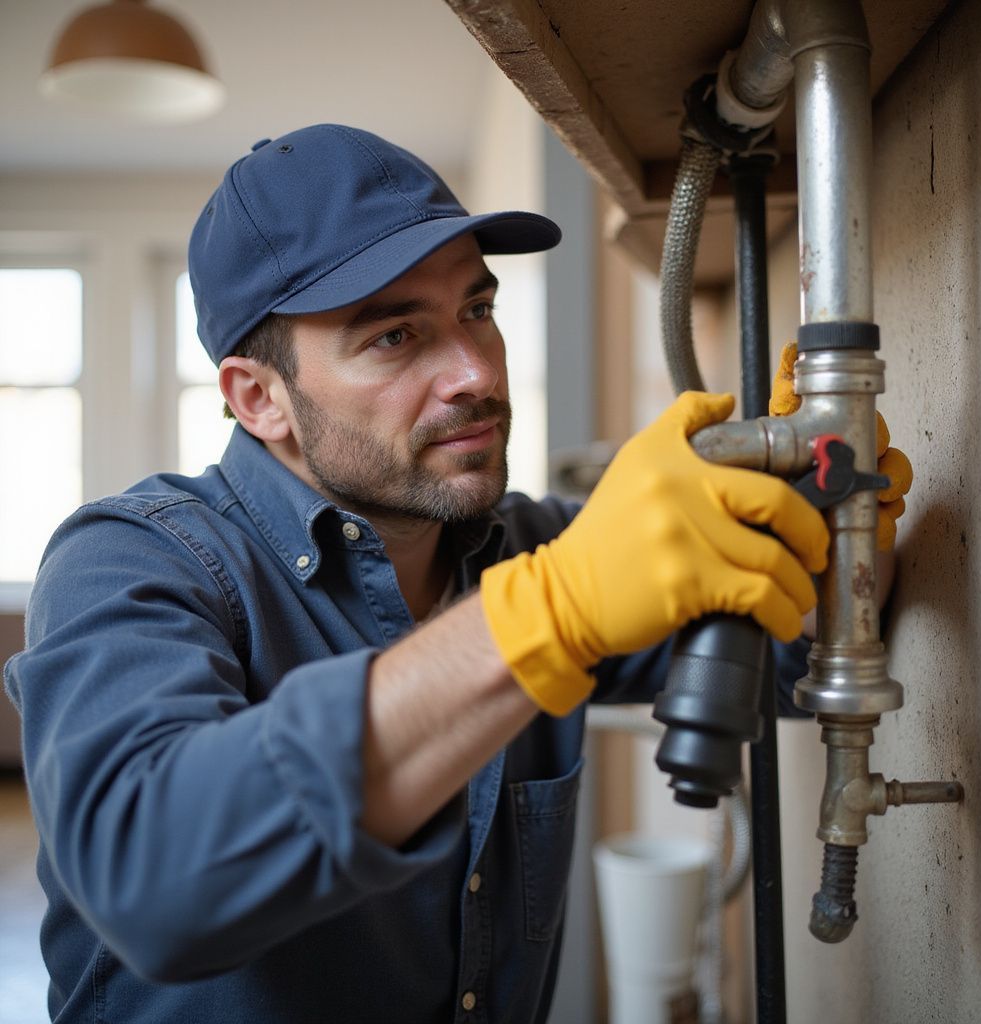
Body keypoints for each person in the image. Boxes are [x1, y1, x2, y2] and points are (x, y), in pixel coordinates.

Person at [4, 124, 903, 1024]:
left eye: (478, 309)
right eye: (396, 336)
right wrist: (545, 618)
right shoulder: (131, 561)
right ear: (259, 398)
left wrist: (833, 538)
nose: (475, 372)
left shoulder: (519, 546)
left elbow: (797, 668)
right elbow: (150, 881)